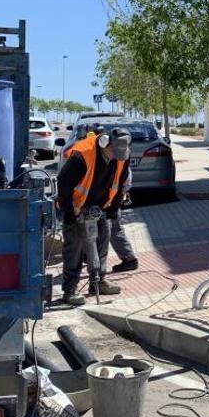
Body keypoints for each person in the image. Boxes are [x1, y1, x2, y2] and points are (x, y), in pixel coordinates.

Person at [56, 127, 131, 305]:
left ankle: (98, 282)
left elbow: (121, 183)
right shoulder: (82, 154)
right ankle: (70, 291)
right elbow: (63, 182)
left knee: (102, 244)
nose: (115, 156)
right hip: (77, 206)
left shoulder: (122, 156)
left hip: (101, 207)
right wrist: (69, 211)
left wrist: (114, 207)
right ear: (105, 142)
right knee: (74, 250)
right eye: (113, 151)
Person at [109, 169, 139, 272]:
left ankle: (129, 259)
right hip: (114, 198)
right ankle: (129, 258)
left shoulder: (114, 159)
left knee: (113, 229)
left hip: (110, 200)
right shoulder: (122, 159)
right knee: (114, 229)